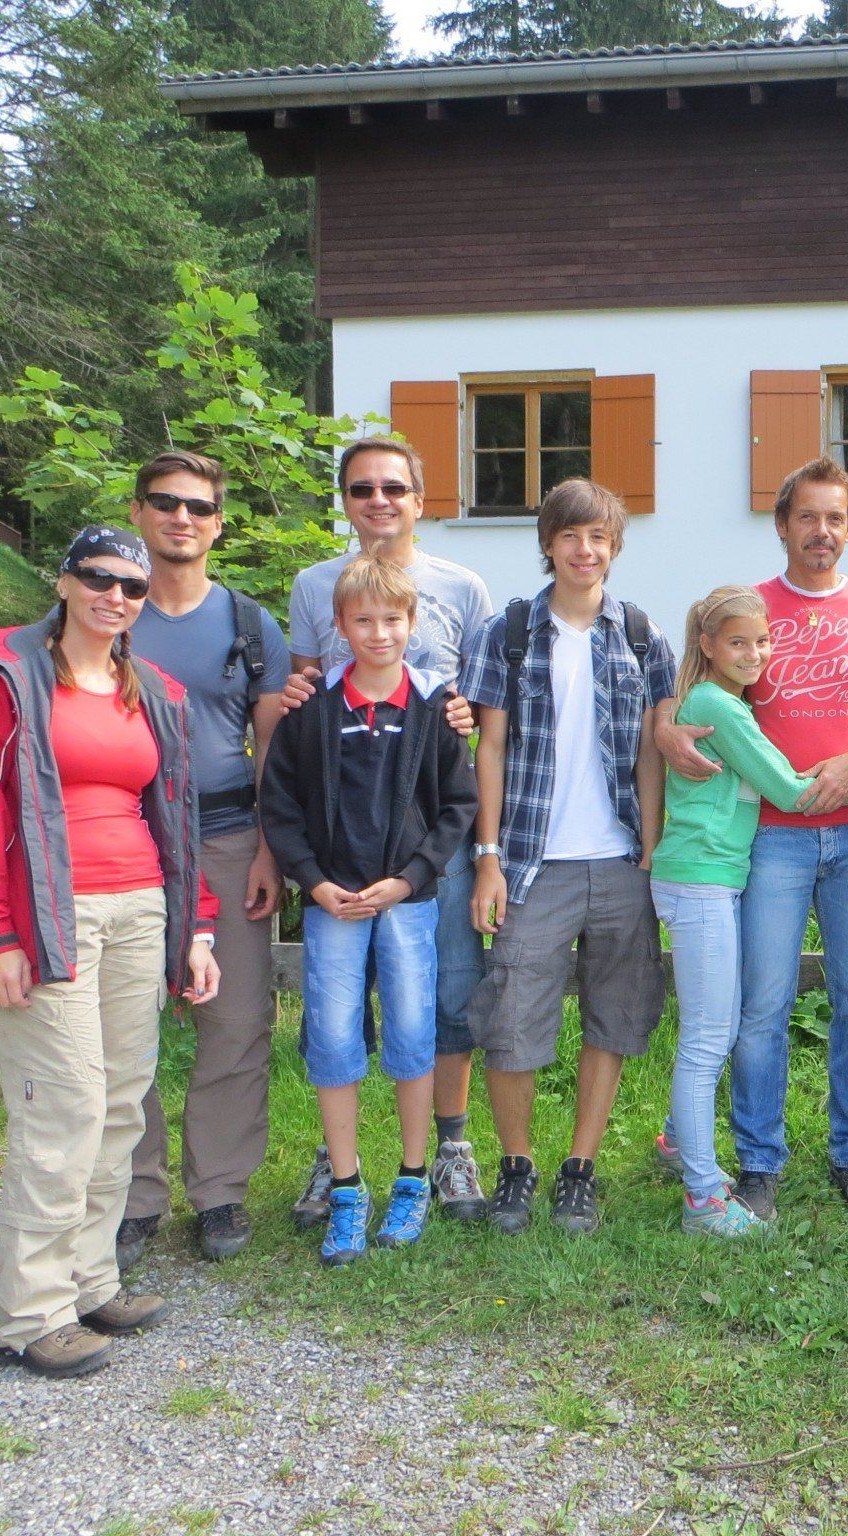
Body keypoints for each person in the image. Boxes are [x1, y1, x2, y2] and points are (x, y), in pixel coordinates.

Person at [0, 452, 290, 1267]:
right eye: (164, 503)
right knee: (105, 1047)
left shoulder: (247, 622)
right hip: (105, 850)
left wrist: (272, 845)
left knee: (232, 1024)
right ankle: (129, 1202)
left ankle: (221, 1193)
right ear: (137, 513)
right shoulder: (79, 615)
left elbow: (271, 740)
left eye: (198, 506)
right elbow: (0, 683)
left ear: (218, 523)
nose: (181, 518)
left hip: (224, 841)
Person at [0, 524, 220, 1378]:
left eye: (131, 587)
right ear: (62, 582)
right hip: (48, 915)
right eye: (97, 578)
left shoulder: (153, 690)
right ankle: (26, 1312)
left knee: (121, 1102)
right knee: (62, 1106)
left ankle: (90, 1277)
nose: (116, 597)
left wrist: (195, 924)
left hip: (137, 912)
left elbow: (179, 817)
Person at [655, 457, 848, 1224]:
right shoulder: (750, 614)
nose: (822, 531)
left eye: (836, 518)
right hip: (772, 840)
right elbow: (694, 695)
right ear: (782, 525)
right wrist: (665, 726)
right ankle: (759, 1159)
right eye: (808, 517)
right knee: (762, 1005)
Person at [284, 438, 493, 1228]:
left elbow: (479, 703)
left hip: (425, 829)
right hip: (339, 831)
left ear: (420, 496)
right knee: (337, 1003)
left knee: (443, 991)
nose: (379, 500)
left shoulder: (461, 586)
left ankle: (445, 1146)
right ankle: (335, 1160)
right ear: (344, 499)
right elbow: (302, 691)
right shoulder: (314, 585)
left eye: (395, 488)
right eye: (362, 488)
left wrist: (466, 724)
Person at [461, 479, 676, 1237]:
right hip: (531, 862)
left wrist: (651, 851)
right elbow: (488, 747)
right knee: (513, 1017)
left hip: (620, 861)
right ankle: (517, 1166)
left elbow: (654, 752)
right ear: (549, 544)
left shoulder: (643, 635)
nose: (586, 551)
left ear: (614, 548)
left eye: (599, 539)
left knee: (614, 1018)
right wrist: (488, 858)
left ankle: (580, 1169)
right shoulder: (507, 633)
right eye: (571, 537)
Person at [260, 556, 477, 1265]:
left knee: (414, 1035)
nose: (378, 633)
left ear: (412, 625)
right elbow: (282, 805)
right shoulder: (312, 711)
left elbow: (457, 808)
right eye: (362, 620)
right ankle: (348, 1188)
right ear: (338, 627)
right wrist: (314, 882)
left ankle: (413, 1178)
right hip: (333, 906)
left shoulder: (434, 708)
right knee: (331, 1040)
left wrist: (411, 878)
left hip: (405, 905)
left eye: (392, 620)